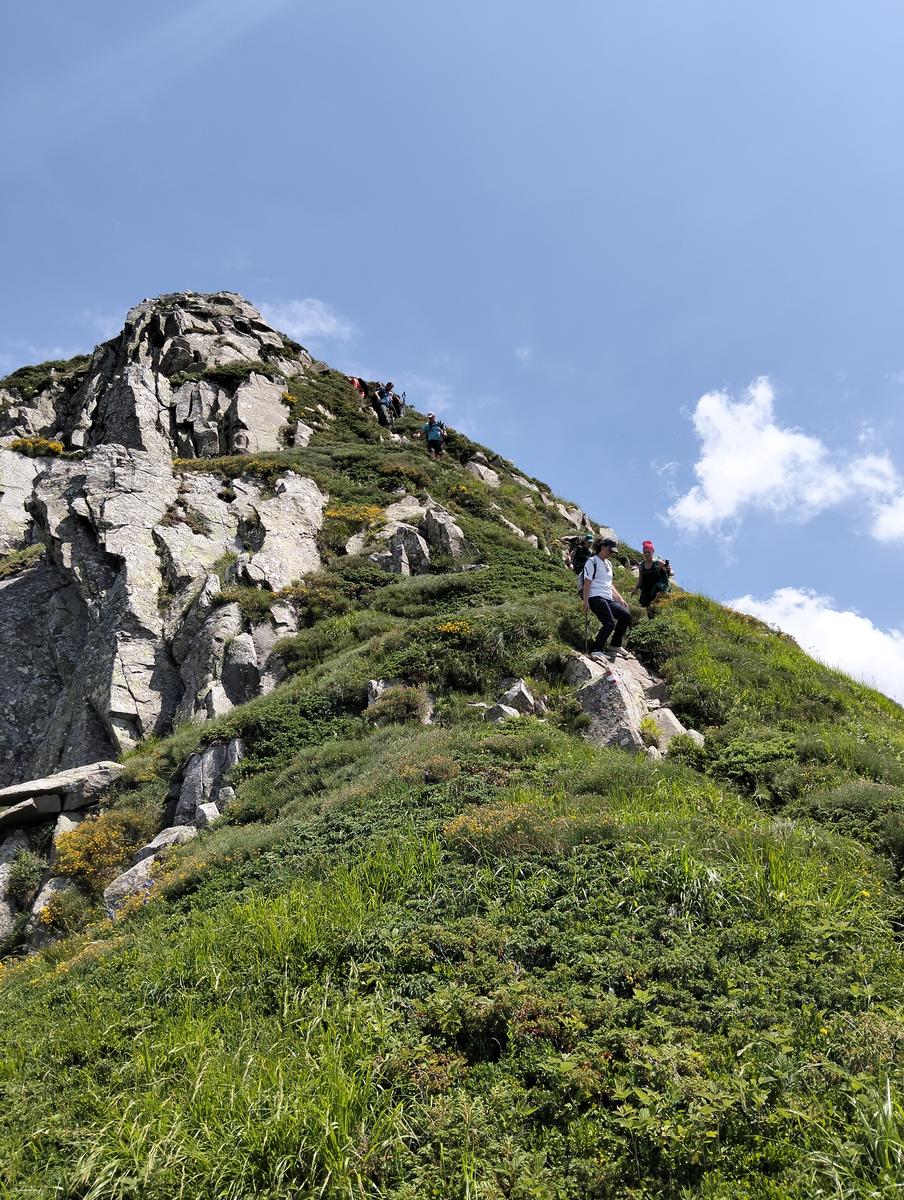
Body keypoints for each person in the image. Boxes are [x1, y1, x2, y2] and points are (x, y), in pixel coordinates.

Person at [582, 536, 631, 658]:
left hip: (608, 598)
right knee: (609, 623)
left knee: (625, 615)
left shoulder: (608, 564)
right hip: (595, 597)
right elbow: (587, 582)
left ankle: (615, 644)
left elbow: (609, 584)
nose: (611, 554)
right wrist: (586, 600)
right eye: (610, 550)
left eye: (613, 552)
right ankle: (596, 650)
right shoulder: (592, 561)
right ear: (603, 547)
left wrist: (619, 597)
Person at [635, 540, 671, 615]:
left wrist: (667, 569)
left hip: (659, 589)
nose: (646, 554)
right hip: (646, 590)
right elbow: (640, 579)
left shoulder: (659, 563)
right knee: (643, 608)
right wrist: (635, 589)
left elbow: (671, 573)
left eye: (648, 552)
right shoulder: (641, 565)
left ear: (652, 552)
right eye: (644, 552)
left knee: (653, 608)